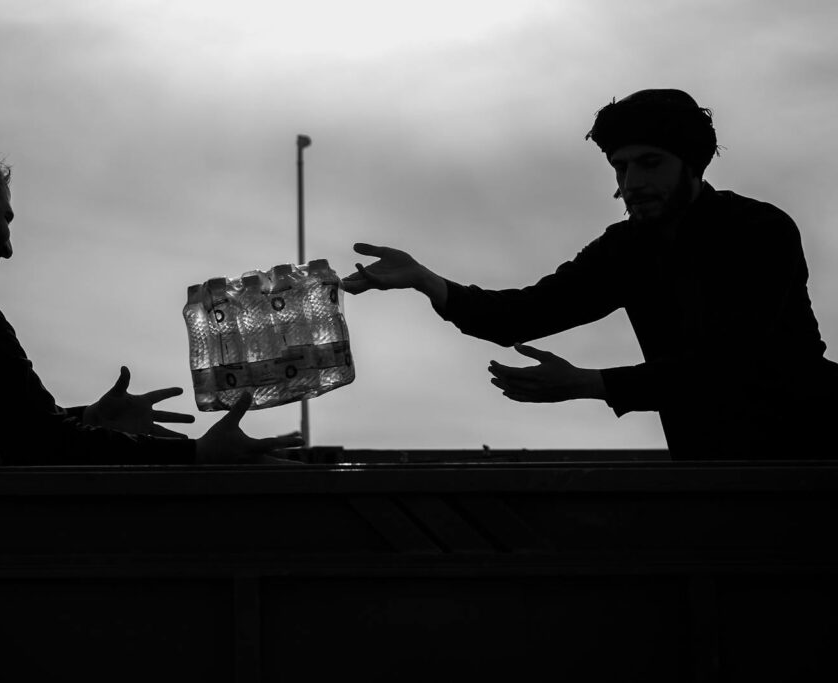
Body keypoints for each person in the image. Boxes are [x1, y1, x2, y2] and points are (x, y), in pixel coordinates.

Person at [343, 89, 838, 460]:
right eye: (620, 168)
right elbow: (523, 314)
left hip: (813, 458)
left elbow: (731, 365)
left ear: (693, 165)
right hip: (713, 474)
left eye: (649, 164)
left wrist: (589, 382)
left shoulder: (757, 230)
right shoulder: (627, 249)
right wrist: (426, 281)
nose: (631, 184)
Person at [0, 141, 301, 472]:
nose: (6, 247)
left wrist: (87, 418)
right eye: (4, 218)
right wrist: (197, 455)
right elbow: (39, 444)